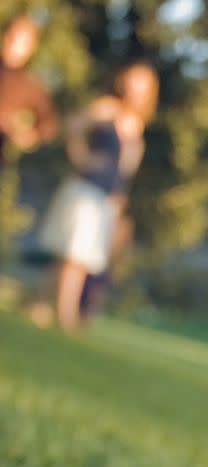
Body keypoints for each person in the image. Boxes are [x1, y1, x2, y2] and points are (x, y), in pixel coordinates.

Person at [39, 62, 158, 331]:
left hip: (106, 199)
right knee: (75, 259)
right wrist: (81, 156)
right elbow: (72, 125)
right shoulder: (107, 109)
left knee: (74, 258)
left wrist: (119, 198)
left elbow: (125, 169)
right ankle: (67, 319)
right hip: (85, 190)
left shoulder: (136, 125)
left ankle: (36, 303)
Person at [0, 15, 58, 160]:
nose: (14, 44)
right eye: (12, 36)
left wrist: (29, 136)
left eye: (22, 41)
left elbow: (49, 124)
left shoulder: (30, 85)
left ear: (32, 47)